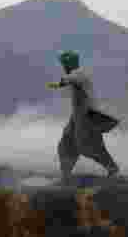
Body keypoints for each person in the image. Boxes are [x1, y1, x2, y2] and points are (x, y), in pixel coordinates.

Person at [47, 50, 120, 184]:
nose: (63, 66)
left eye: (64, 63)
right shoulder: (76, 74)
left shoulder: (79, 73)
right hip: (77, 116)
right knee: (66, 143)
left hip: (87, 117)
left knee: (89, 146)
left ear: (70, 63)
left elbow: (71, 78)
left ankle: (113, 169)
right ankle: (66, 174)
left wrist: (59, 83)